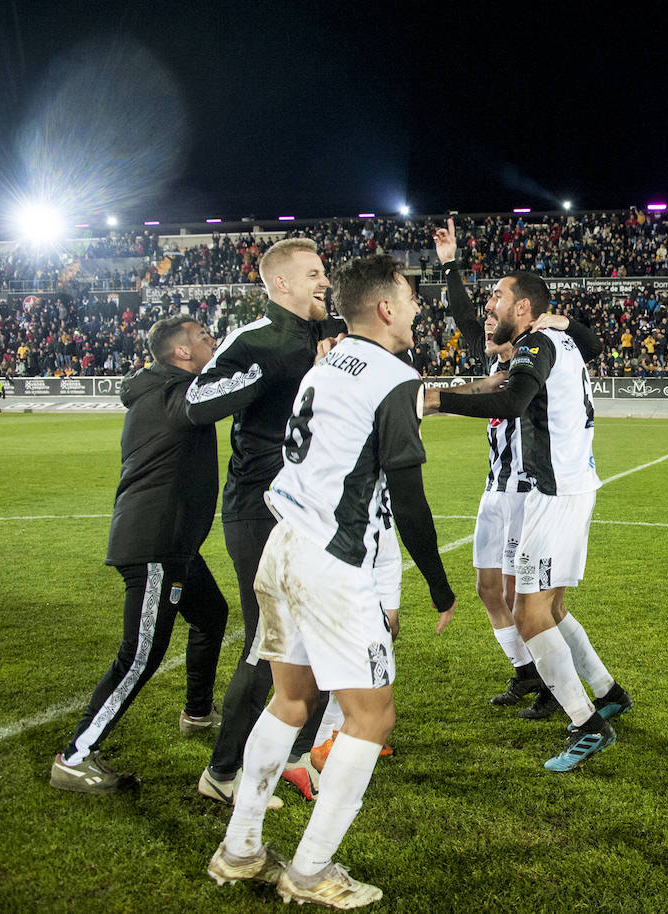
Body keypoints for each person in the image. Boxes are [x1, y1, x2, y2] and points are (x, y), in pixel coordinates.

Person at [206, 254, 456, 907]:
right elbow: (406, 498)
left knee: (289, 701)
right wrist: (436, 584)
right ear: (384, 308)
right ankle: (311, 870)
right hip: (330, 562)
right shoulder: (392, 376)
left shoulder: (329, 359)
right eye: (409, 299)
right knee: (371, 718)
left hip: (281, 544)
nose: (417, 310)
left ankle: (240, 851)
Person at [423, 268, 630, 772]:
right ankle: (606, 692)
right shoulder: (554, 339)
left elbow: (513, 400)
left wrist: (433, 398)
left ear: (522, 308)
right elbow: (587, 344)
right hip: (563, 489)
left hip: (552, 493)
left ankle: (586, 723)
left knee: (528, 612)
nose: (488, 304)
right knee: (548, 607)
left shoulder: (537, 343)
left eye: (497, 296)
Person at [185, 237, 345, 805]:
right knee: (268, 644)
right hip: (260, 509)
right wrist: (276, 372)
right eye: (313, 274)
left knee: (322, 637)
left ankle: (297, 755)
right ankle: (223, 772)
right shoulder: (259, 340)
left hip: (313, 509)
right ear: (281, 284)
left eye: (324, 271)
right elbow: (198, 401)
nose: (324, 281)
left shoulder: (328, 336)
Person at [432, 218, 604, 719]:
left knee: (526, 596)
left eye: (493, 316)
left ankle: (559, 685)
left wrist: (434, 402)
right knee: (491, 588)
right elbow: (466, 315)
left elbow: (581, 348)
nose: (483, 324)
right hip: (496, 487)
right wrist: (449, 266)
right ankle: (528, 671)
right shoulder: (496, 360)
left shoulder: (531, 354)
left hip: (531, 490)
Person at [50, 318, 229, 793]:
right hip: (154, 546)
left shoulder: (169, 389)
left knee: (212, 615)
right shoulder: (176, 396)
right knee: (140, 656)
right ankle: (75, 756)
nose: (212, 339)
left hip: (174, 545)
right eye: (203, 337)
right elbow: (233, 392)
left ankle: (196, 711)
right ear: (182, 354)